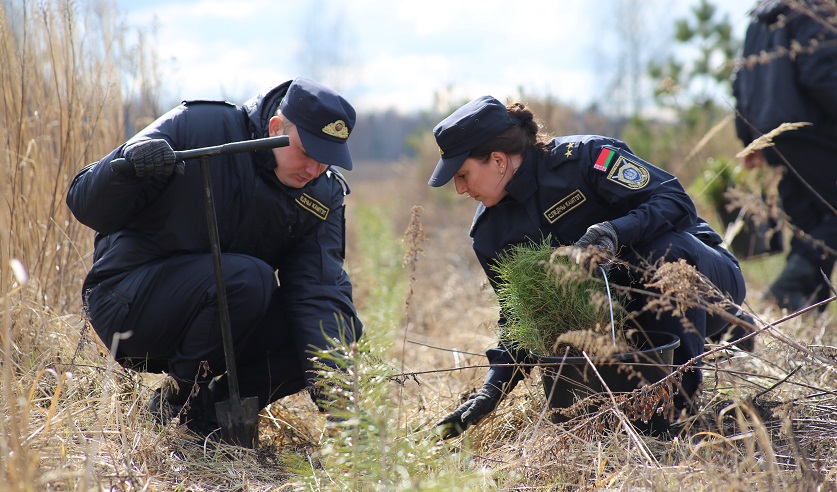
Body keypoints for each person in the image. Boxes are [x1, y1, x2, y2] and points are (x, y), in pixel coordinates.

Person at [429, 96, 750, 439]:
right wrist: (490, 393)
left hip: (703, 280)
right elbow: (522, 319)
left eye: (463, 175)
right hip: (621, 323)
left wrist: (614, 233)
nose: (460, 189)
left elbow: (675, 201)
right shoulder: (490, 235)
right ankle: (633, 412)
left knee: (660, 251)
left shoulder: (586, 158)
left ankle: (677, 409)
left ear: (497, 160)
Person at [66, 77, 363, 437]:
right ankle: (177, 401)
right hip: (128, 304)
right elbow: (84, 203)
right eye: (306, 152)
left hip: (225, 313)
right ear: (275, 128)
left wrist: (339, 402)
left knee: (335, 329)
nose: (314, 170)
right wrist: (124, 169)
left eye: (326, 159)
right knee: (248, 278)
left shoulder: (322, 194)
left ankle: (210, 411)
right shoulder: (199, 127)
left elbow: (319, 292)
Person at [733, 0, 837, 312]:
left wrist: (750, 138)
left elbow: (741, 82)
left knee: (811, 225)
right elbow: (821, 75)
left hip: (771, 135)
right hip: (812, 130)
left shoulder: (759, 19)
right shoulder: (811, 10)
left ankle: (803, 310)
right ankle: (787, 288)